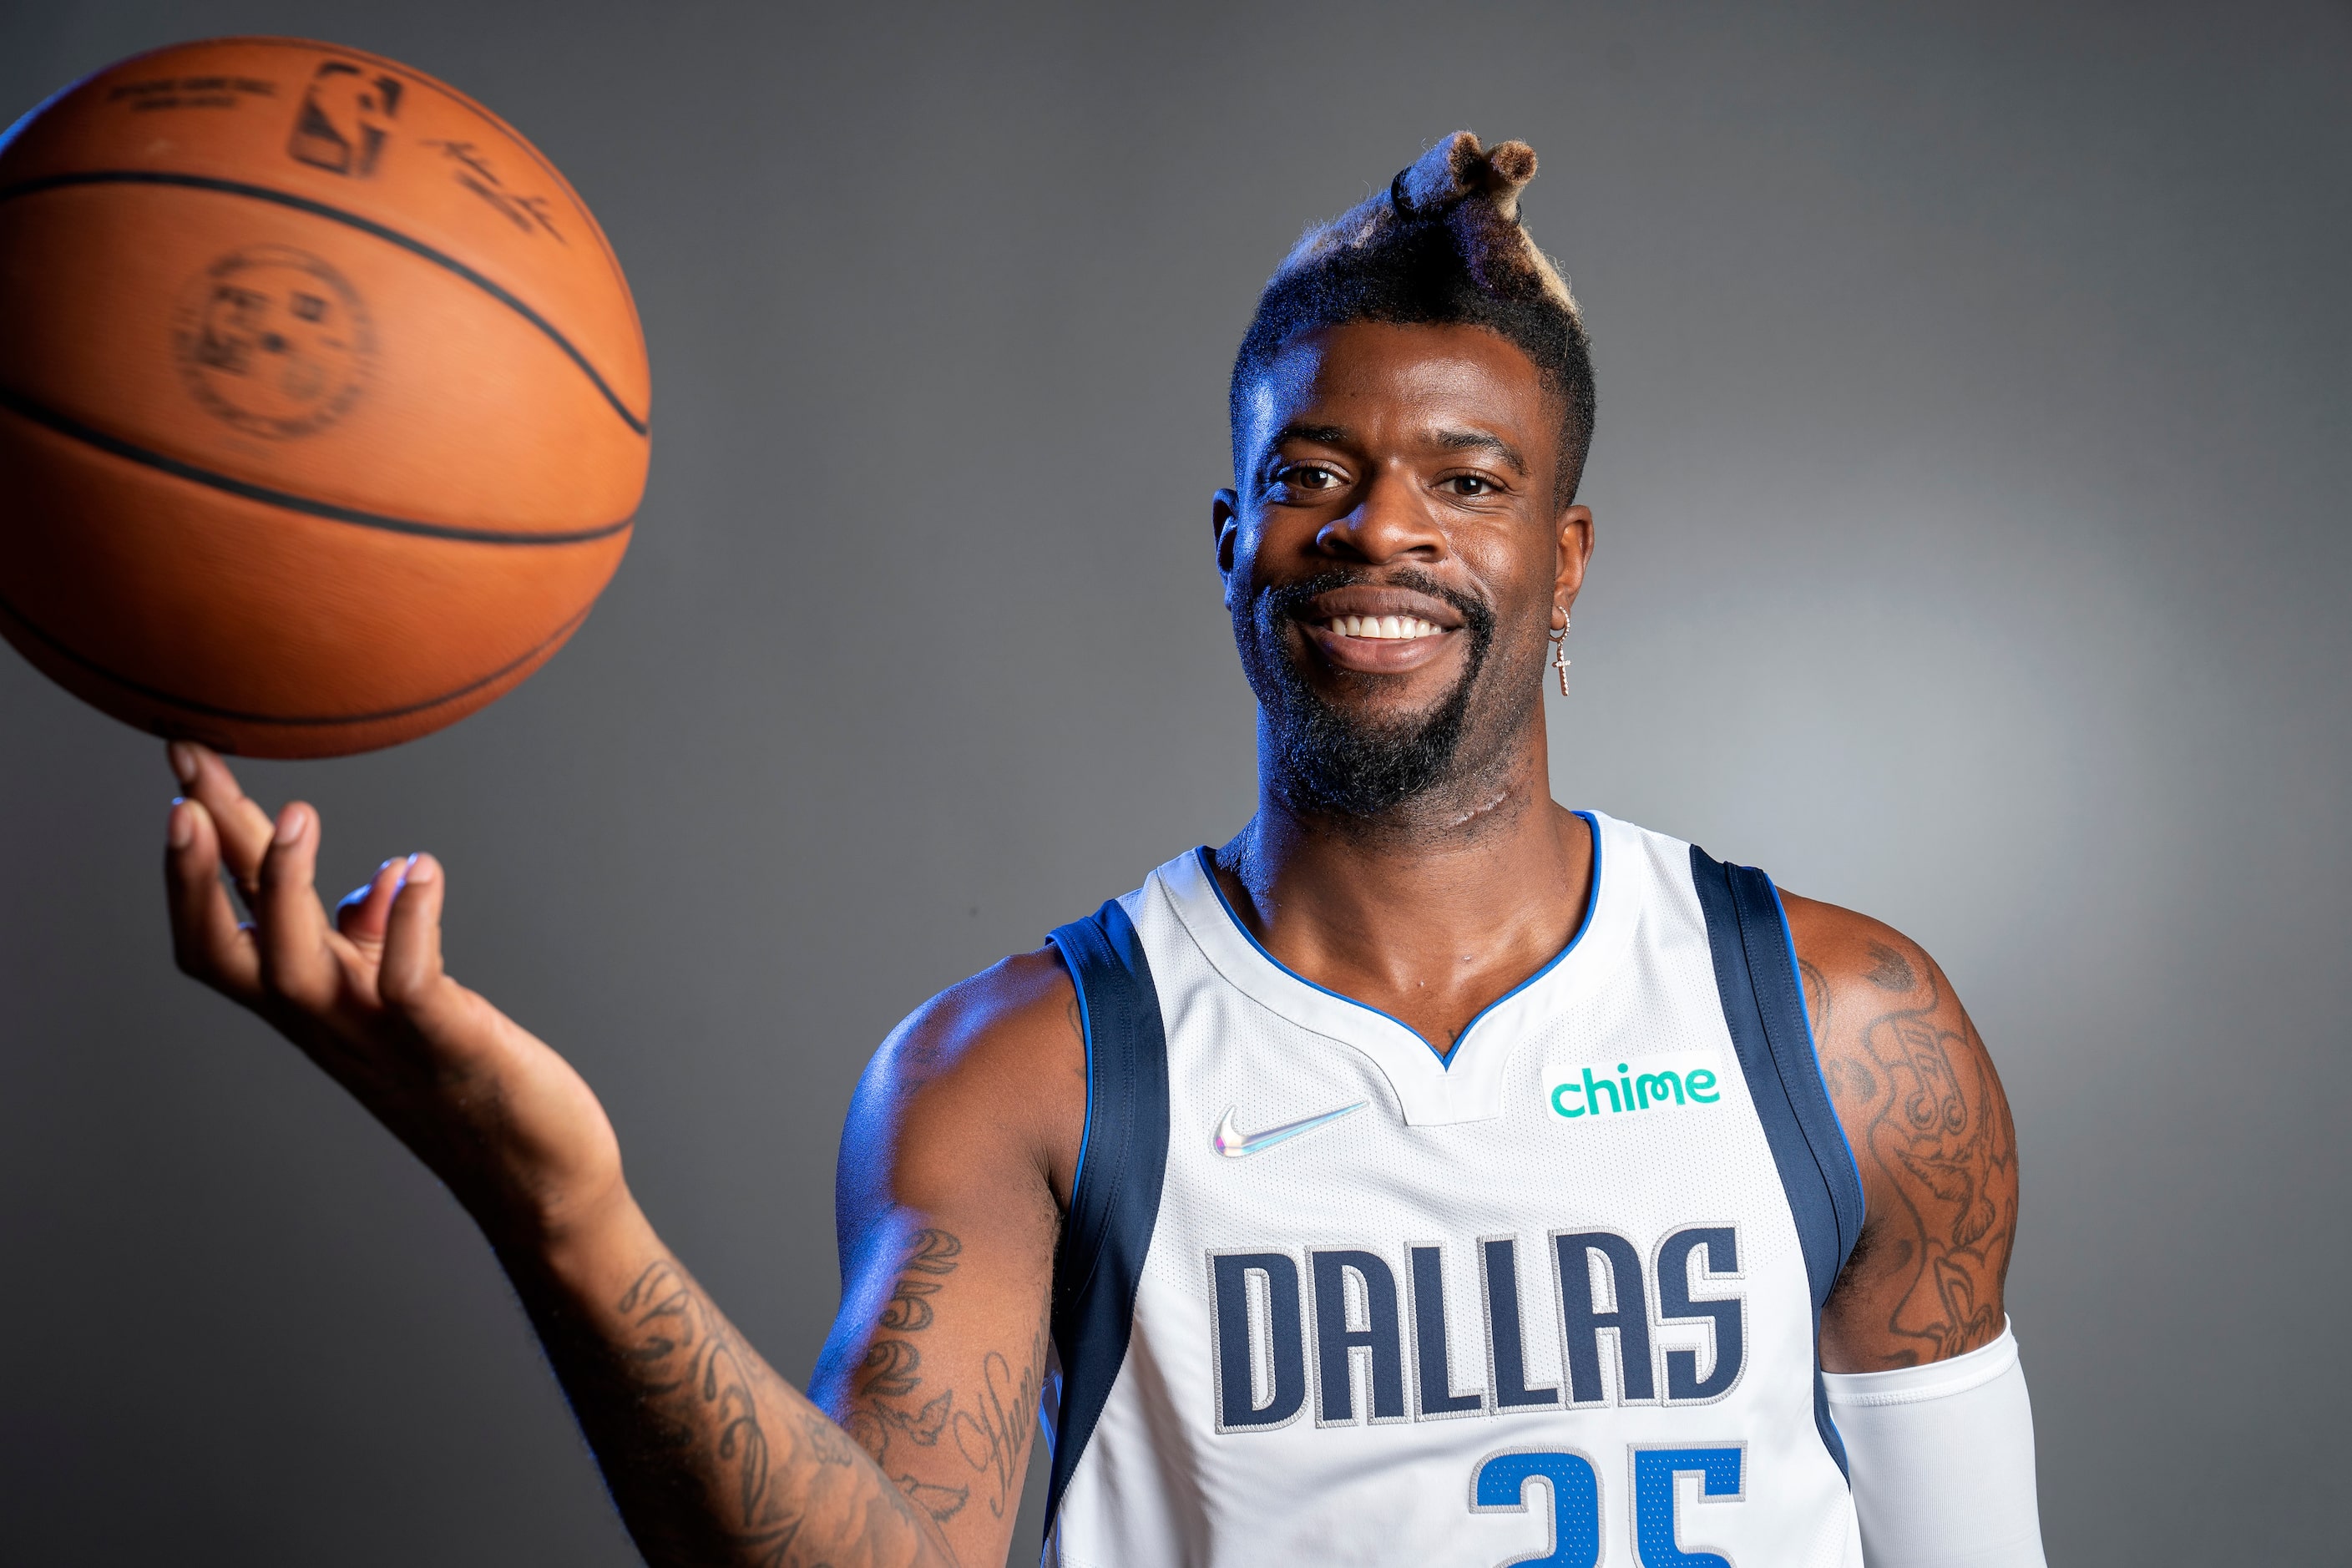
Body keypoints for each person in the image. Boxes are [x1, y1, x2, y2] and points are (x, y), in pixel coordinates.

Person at [159, 133, 2045, 1566]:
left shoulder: (1842, 1025)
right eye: (1311, 474)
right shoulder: (1024, 1072)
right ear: (1227, 536)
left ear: (1561, 563)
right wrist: (555, 1210)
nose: (1377, 528)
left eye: (1465, 483)